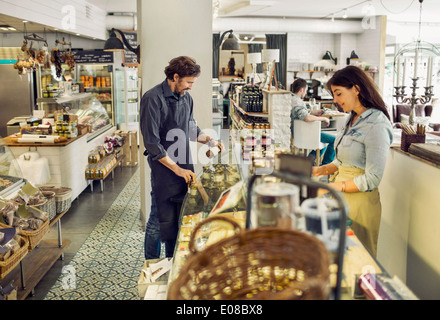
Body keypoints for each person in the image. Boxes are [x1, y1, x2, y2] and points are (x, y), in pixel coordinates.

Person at [140, 56, 223, 259]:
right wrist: (177, 169)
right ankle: (150, 265)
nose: (191, 87)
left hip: (184, 167)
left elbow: (191, 128)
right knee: (158, 221)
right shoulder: (152, 99)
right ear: (175, 77)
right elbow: (152, 143)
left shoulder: (186, 98)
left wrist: (210, 141)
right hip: (164, 169)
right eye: (188, 82)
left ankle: (170, 261)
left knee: (177, 220)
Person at [312, 66, 393, 256]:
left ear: (356, 89)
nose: (335, 100)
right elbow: (344, 162)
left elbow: (372, 178)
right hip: (340, 197)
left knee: (357, 260)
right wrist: (321, 170)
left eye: (338, 93)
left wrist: (335, 187)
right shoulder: (351, 119)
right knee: (336, 257)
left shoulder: (377, 124)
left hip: (360, 204)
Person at [290, 78, 335, 165]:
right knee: (334, 140)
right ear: (301, 90)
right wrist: (323, 118)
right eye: (306, 90)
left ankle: (309, 161)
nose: (306, 93)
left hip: (299, 132)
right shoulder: (297, 101)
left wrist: (315, 112)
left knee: (324, 141)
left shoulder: (292, 98)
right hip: (305, 133)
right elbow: (307, 118)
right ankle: (325, 165)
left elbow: (301, 113)